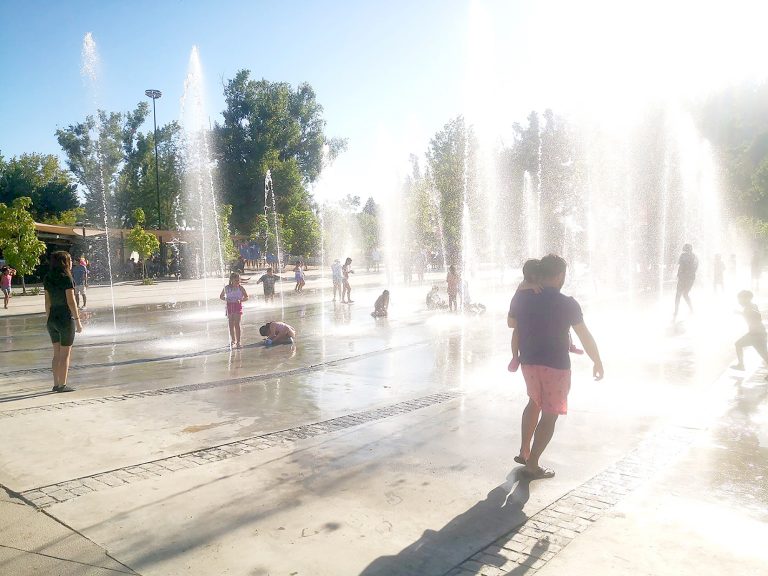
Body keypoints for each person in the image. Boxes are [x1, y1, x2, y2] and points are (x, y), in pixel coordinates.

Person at [508, 254, 603, 479]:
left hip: (529, 362)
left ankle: (524, 450)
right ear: (560, 275)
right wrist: (597, 360)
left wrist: (521, 289)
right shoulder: (567, 303)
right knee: (550, 414)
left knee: (533, 402)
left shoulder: (524, 297)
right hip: (556, 366)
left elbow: (511, 323)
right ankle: (532, 464)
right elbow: (585, 335)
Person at [44, 251, 83, 393]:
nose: (71, 262)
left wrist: (49, 318)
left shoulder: (47, 277)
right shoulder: (67, 278)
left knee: (56, 353)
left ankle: (55, 383)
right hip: (65, 319)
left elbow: (47, 302)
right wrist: (78, 321)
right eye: (70, 259)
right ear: (64, 262)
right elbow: (71, 301)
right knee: (65, 353)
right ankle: (62, 385)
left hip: (52, 318)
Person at [731, 290, 768, 377]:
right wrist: (740, 313)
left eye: (740, 299)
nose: (739, 302)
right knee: (738, 344)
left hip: (756, 334)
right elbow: (752, 315)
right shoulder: (751, 306)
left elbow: (756, 316)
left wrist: (740, 313)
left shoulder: (750, 308)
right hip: (756, 333)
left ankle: (741, 365)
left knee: (764, 354)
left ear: (746, 299)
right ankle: (741, 365)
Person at [220, 272, 249, 349]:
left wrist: (241, 300)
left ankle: (238, 341)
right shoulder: (227, 288)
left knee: (237, 324)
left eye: (238, 280)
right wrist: (226, 299)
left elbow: (246, 297)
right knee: (230, 324)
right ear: (231, 280)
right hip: (229, 306)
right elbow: (221, 296)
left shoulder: (241, 288)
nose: (238, 282)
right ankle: (233, 340)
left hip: (237, 306)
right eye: (236, 280)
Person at [673, 243, 698, 320]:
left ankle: (676, 311)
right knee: (685, 294)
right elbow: (696, 268)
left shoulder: (683, 256)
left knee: (678, 295)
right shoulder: (695, 256)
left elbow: (679, 265)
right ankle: (691, 309)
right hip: (690, 278)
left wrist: (679, 274)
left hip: (683, 278)